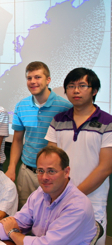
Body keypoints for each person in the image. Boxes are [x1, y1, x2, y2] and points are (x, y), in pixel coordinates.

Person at [0, 146, 97, 245]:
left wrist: (12, 233)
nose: (44, 177)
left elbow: (45, 244)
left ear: (66, 172)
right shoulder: (40, 194)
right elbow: (17, 221)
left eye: (51, 171)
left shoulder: (78, 206)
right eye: (40, 171)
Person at [46, 67, 112, 244]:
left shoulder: (108, 122)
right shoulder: (58, 120)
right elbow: (50, 159)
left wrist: (73, 195)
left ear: (94, 90)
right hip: (59, 199)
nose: (76, 90)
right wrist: (60, 195)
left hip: (92, 201)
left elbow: (105, 167)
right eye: (71, 86)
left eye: (82, 85)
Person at [4, 61, 71, 208]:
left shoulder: (65, 107)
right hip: (27, 171)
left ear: (48, 80)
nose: (33, 81)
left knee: (53, 213)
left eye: (37, 77)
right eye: (29, 78)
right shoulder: (21, 106)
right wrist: (11, 167)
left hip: (53, 174)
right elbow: (17, 140)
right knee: (25, 212)